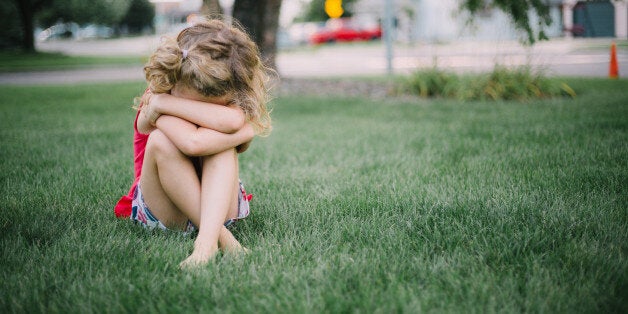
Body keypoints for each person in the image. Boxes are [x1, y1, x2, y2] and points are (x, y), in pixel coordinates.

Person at [114, 18, 272, 268]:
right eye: (196, 104)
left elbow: (230, 123)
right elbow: (193, 143)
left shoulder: (164, 102)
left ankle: (206, 243)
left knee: (220, 149)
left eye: (209, 108)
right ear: (175, 82)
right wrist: (244, 133)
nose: (202, 111)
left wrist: (164, 106)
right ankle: (221, 239)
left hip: (219, 207)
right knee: (160, 140)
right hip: (164, 211)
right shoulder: (159, 93)